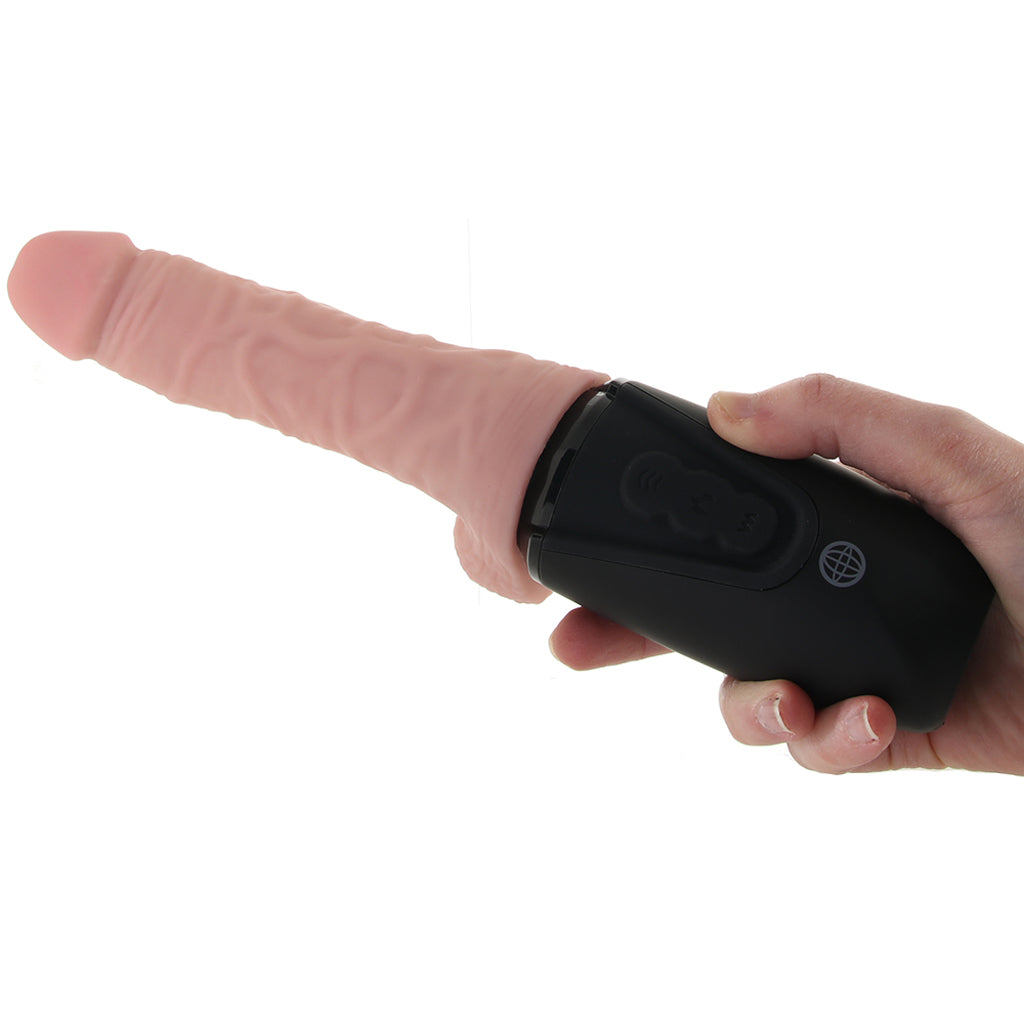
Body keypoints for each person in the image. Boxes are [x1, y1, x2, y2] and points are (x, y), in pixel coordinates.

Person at [9, 234, 1024, 777]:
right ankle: (134, 304)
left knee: (363, 386)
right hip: (565, 482)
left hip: (564, 479)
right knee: (368, 385)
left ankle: (135, 305)